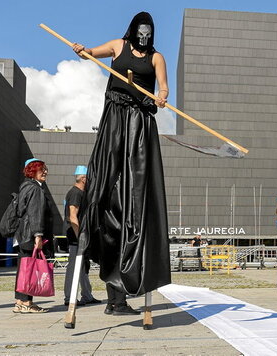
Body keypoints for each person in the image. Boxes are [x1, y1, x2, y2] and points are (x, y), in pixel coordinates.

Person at [72, 11, 171, 312]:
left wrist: (161, 97)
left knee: (134, 189)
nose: (144, 36)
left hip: (139, 122)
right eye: (140, 31)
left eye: (148, 32)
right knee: (109, 184)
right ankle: (114, 294)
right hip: (116, 117)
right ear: (132, 30)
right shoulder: (117, 46)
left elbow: (163, 87)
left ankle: (121, 293)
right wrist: (82, 51)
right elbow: (91, 53)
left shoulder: (156, 58)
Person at [12, 158, 54, 313]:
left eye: (45, 168)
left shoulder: (25, 187)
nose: (45, 172)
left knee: (23, 268)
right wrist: (38, 235)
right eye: (41, 169)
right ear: (32, 171)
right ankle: (26, 303)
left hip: (22, 235)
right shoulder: (35, 189)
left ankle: (19, 302)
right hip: (31, 235)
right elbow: (35, 213)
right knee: (29, 269)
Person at [63, 165, 100, 306]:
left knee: (83, 266)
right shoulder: (76, 193)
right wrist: (80, 237)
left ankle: (87, 295)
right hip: (75, 236)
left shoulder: (79, 193)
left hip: (78, 235)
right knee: (73, 267)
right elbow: (73, 217)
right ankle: (69, 298)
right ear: (83, 179)